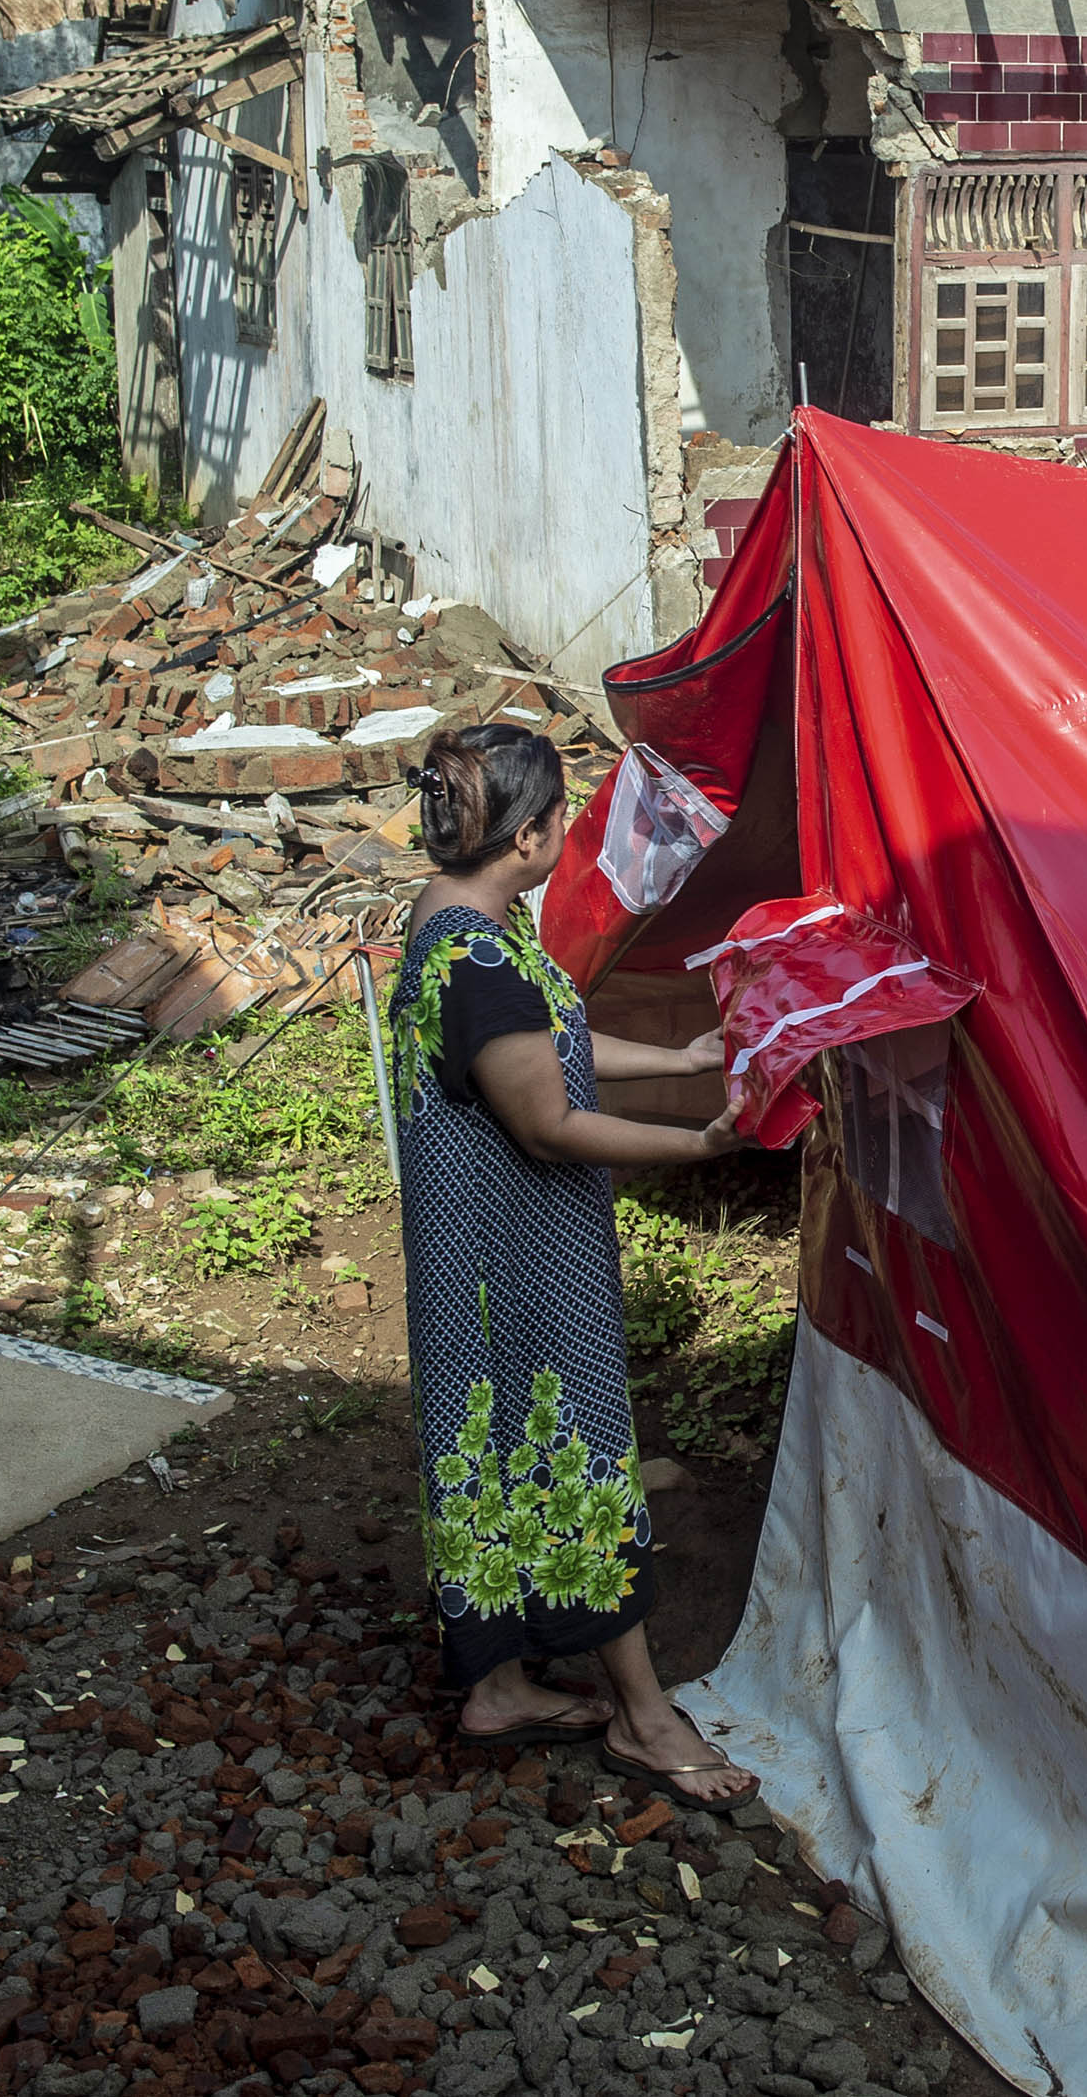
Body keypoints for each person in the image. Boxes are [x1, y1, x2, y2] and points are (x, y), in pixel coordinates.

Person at [390, 721, 759, 1806]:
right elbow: (547, 1119)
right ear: (534, 835)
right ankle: (647, 1721)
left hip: (478, 1257)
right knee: (571, 1455)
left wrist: (677, 1058)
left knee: (498, 1448)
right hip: (521, 1266)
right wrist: (697, 1142)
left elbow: (538, 1040)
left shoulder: (451, 917)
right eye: (562, 816)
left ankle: (498, 1684)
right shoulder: (481, 957)